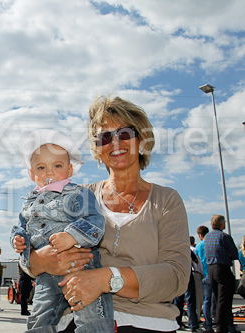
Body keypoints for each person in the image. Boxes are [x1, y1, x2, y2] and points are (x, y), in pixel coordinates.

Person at [21, 96, 191, 333]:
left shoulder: (167, 200)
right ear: (97, 150)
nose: (115, 143)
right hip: (76, 319)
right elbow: (31, 251)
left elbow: (177, 275)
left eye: (124, 134)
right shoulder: (76, 196)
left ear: (141, 141)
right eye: (104, 137)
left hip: (147, 321)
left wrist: (107, 279)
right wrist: (39, 260)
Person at [11, 129, 114, 332]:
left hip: (80, 271)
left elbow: (95, 221)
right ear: (32, 174)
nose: (49, 172)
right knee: (39, 319)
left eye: (57, 166)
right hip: (46, 277)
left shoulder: (78, 194)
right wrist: (18, 240)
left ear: (69, 171)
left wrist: (71, 236)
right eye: (41, 167)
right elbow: (22, 228)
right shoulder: (28, 204)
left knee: (91, 315)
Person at [204, 214, 239, 333]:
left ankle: (222, 325)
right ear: (222, 223)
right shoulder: (224, 237)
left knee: (217, 298)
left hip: (211, 270)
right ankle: (222, 327)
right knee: (224, 300)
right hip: (222, 269)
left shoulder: (207, 237)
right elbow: (234, 253)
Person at [195, 225, 214, 333]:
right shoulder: (210, 243)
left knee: (206, 300)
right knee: (217, 299)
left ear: (200, 235)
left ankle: (208, 324)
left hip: (204, 273)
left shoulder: (198, 246)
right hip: (214, 272)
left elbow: (197, 260)